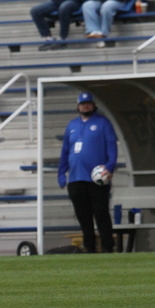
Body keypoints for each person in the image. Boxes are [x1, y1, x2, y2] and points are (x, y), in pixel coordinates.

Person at [58, 92, 118, 253]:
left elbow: (112, 146)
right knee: (83, 217)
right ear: (78, 106)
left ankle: (107, 247)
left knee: (101, 214)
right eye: (83, 103)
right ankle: (89, 247)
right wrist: (61, 173)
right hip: (76, 178)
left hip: (97, 179)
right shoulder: (71, 126)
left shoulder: (103, 123)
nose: (86, 106)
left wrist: (110, 166)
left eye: (89, 103)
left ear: (94, 105)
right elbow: (65, 151)